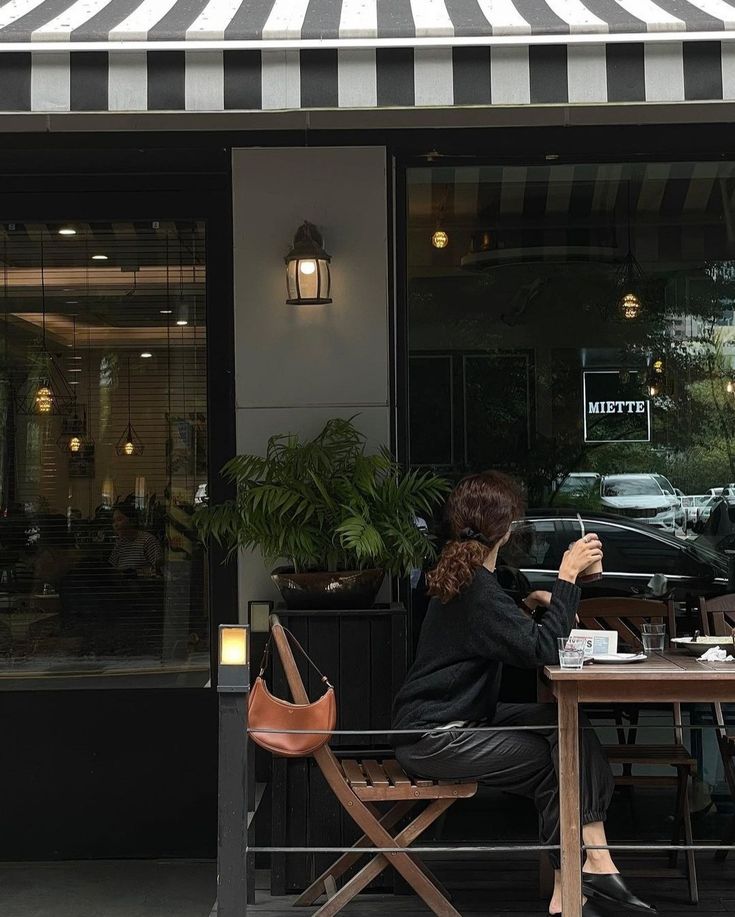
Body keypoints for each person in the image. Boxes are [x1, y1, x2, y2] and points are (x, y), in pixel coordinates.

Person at [391, 471, 655, 917]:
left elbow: (487, 633)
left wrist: (528, 607)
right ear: (508, 528)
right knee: (556, 762)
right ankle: (581, 877)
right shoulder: (477, 588)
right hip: (436, 737)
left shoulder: (475, 580)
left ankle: (587, 868)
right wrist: (568, 576)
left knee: (564, 726)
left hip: (455, 721)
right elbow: (543, 649)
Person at [109, 504, 163, 575]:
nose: (115, 525)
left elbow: (160, 570)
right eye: (113, 521)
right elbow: (113, 569)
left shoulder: (148, 541)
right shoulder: (120, 543)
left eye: (119, 519)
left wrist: (136, 573)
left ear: (132, 520)